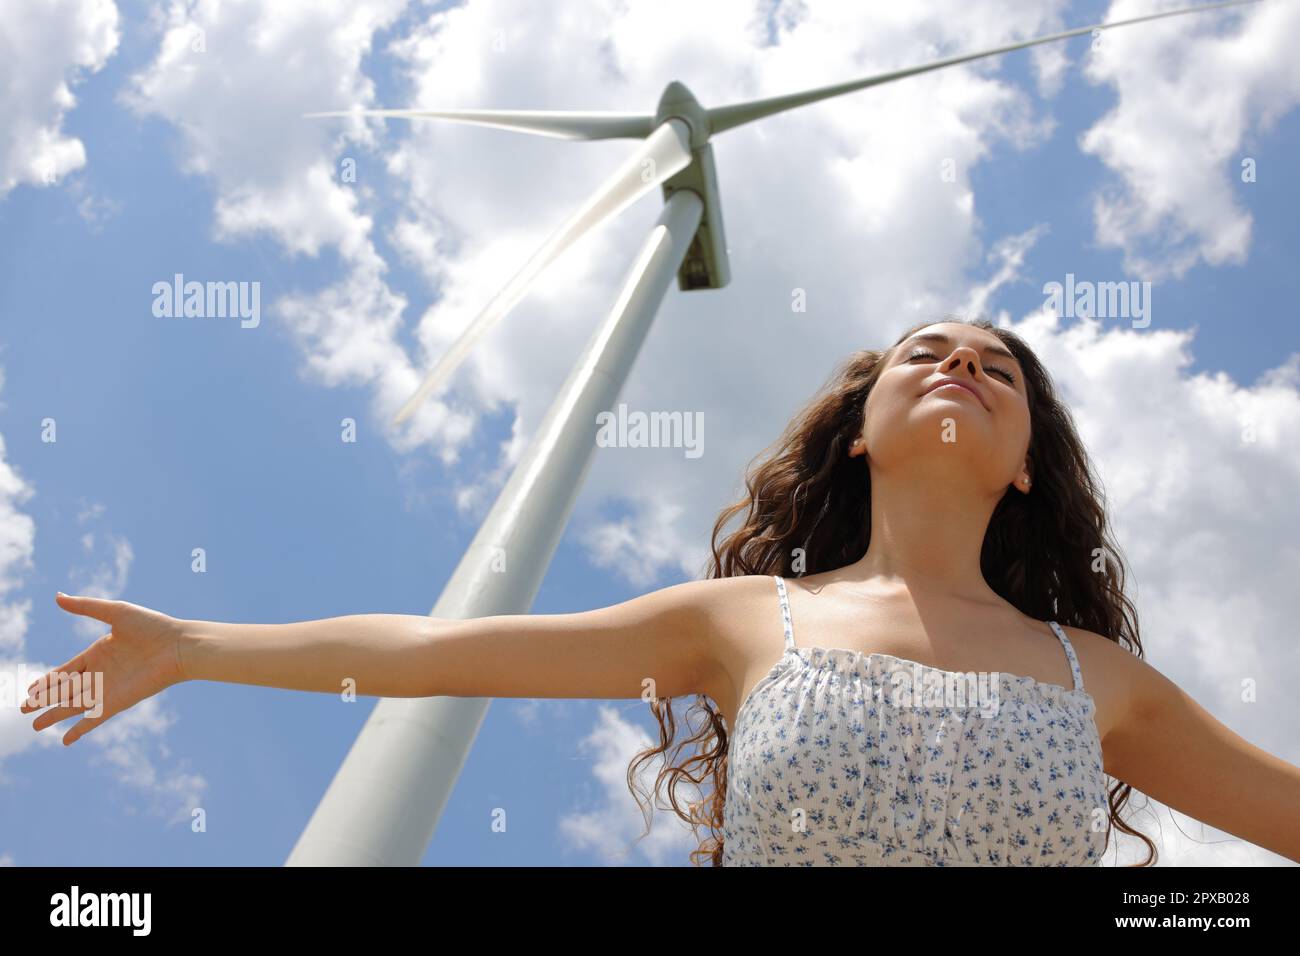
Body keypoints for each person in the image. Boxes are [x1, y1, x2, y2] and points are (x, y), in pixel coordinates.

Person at [20, 319, 1300, 866]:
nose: (963, 365)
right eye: (928, 352)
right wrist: (190, 641)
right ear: (860, 429)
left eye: (997, 369)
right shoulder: (742, 623)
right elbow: (428, 651)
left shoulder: (1100, 679)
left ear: (1026, 467)